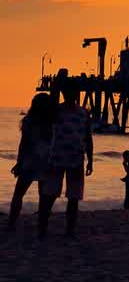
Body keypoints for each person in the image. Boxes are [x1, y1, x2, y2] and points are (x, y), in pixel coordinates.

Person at [36, 82, 93, 238]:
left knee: (73, 197)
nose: (70, 96)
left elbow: (88, 136)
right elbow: (88, 137)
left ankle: (69, 230)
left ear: (76, 95)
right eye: (67, 93)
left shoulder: (83, 113)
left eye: (72, 93)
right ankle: (43, 228)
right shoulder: (56, 111)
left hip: (76, 159)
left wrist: (90, 159)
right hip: (57, 158)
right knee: (51, 194)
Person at [8, 93, 55, 232]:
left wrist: (19, 162)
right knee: (44, 196)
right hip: (46, 160)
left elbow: (24, 144)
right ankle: (42, 225)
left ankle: (12, 223)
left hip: (29, 160)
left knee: (18, 193)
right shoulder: (52, 121)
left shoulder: (29, 121)